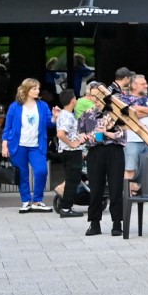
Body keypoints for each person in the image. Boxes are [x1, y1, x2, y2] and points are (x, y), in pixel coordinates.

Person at [78, 81, 127, 236]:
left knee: (116, 189)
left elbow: (123, 136)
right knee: (95, 189)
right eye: (93, 96)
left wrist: (106, 133)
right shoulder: (87, 114)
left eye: (99, 95)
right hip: (95, 152)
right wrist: (84, 137)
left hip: (114, 151)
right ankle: (94, 223)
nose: (96, 99)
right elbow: (81, 134)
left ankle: (117, 223)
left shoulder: (115, 113)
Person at [1, 78, 55, 212]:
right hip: (18, 145)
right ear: (26, 90)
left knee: (41, 171)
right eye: (34, 88)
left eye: (38, 88)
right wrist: (4, 145)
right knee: (22, 174)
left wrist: (55, 117)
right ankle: (25, 201)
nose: (37, 91)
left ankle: (37, 200)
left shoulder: (43, 105)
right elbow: (7, 127)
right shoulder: (15, 106)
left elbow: (50, 123)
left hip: (37, 145)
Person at [119, 73, 148, 196]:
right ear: (133, 85)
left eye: (146, 83)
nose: (146, 85)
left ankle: (147, 192)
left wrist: (137, 108)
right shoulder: (124, 99)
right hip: (132, 139)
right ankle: (127, 195)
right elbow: (129, 115)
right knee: (130, 167)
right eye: (143, 84)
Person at [53, 89, 86, 217]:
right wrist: (72, 144)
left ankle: (66, 206)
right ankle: (66, 208)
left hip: (68, 151)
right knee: (73, 179)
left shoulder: (63, 114)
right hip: (70, 151)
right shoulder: (67, 116)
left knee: (72, 178)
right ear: (72, 100)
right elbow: (60, 133)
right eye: (75, 98)